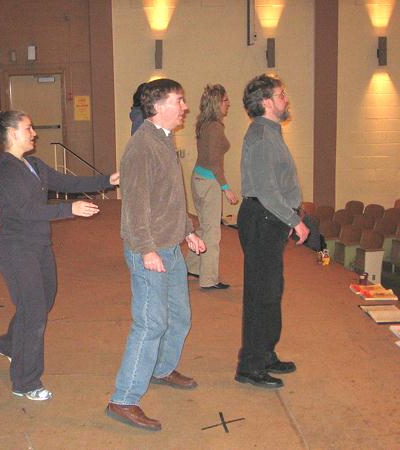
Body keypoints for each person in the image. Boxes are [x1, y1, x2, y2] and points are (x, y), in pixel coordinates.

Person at [0, 109, 119, 401]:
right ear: (12, 134)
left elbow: (67, 183)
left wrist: (108, 179)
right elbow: (26, 211)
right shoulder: (5, 169)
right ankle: (25, 381)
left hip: (38, 246)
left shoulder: (32, 164)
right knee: (34, 313)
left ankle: (9, 343)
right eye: (29, 128)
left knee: (42, 301)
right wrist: (69, 209)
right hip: (16, 248)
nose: (34, 133)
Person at [106, 79, 205, 431]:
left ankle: (162, 369)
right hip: (148, 249)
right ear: (159, 106)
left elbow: (170, 198)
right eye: (179, 100)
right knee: (150, 324)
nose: (185, 107)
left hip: (170, 244)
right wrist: (146, 249)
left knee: (179, 317)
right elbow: (134, 207)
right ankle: (124, 399)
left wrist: (188, 230)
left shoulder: (164, 139)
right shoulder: (141, 147)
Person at [235, 74, 309, 390]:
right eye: (281, 94)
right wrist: (295, 220)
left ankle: (265, 354)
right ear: (267, 102)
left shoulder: (270, 132)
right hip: (263, 219)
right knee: (260, 295)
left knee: (271, 291)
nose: (285, 98)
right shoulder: (263, 137)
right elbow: (267, 191)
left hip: (269, 220)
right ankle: (250, 366)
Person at [185, 84, 238, 290]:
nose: (228, 104)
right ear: (217, 103)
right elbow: (215, 162)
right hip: (209, 182)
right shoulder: (215, 127)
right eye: (226, 100)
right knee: (213, 232)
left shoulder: (204, 123)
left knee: (204, 226)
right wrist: (226, 188)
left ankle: (192, 266)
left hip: (199, 177)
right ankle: (209, 279)